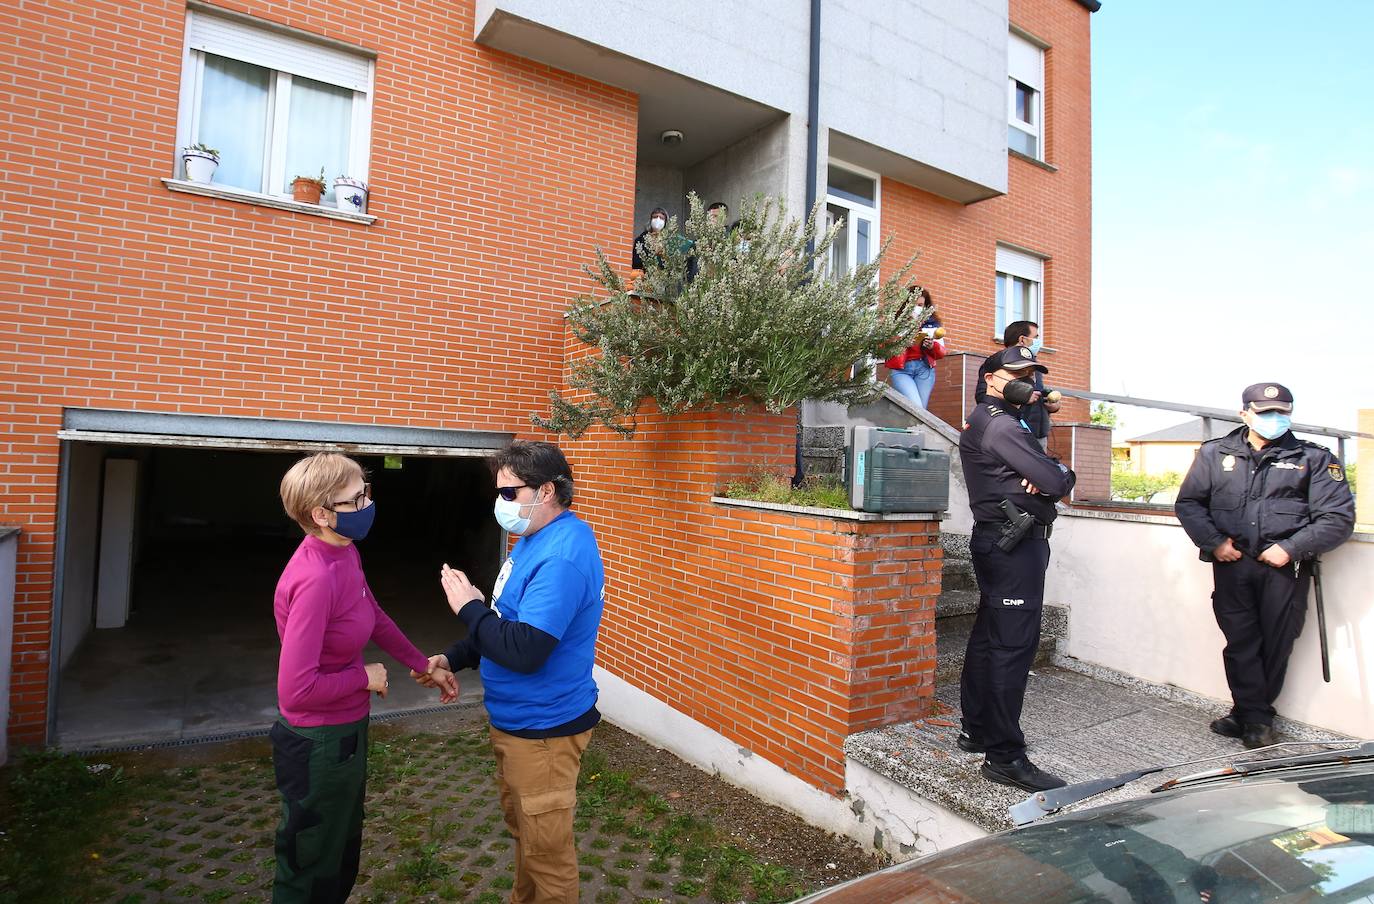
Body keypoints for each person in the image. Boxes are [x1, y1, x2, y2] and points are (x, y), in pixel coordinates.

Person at [417, 441, 606, 904]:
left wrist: (468, 608)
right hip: (518, 724)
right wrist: (456, 655)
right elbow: (505, 623)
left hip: (543, 731)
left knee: (548, 856)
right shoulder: (533, 541)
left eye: (508, 493)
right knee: (527, 838)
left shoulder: (561, 556)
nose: (500, 503)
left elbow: (525, 651)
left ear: (545, 491)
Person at [271, 453, 458, 903]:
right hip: (318, 743)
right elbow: (295, 691)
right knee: (311, 863)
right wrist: (363, 677)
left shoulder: (344, 554)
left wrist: (421, 663)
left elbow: (371, 615)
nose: (368, 504)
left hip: (345, 734)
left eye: (367, 493)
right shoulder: (315, 577)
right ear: (321, 514)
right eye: (357, 499)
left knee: (339, 854)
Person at [1175, 383, 1354, 749]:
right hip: (1232, 563)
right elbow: (1189, 503)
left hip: (1284, 568)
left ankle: (1249, 716)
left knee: (1276, 643)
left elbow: (1337, 517)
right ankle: (1254, 717)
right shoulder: (1215, 453)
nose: (1274, 419)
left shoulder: (1313, 458)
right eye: (1265, 412)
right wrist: (1215, 542)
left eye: (1282, 412)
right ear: (1245, 413)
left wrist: (1290, 548)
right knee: (1240, 642)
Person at [956, 345, 1076, 792]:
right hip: (1013, 546)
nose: (1029, 381)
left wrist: (1046, 471)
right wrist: (1056, 473)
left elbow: (1044, 472)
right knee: (1012, 647)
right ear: (990, 377)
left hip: (1002, 541)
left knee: (990, 639)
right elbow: (1057, 482)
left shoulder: (1004, 419)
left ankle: (977, 728)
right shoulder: (1000, 425)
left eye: (1032, 374)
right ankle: (1004, 756)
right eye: (1017, 373)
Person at [975, 321, 1061, 448]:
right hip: (1011, 433)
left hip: (1038, 435)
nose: (1038, 342)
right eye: (1035, 337)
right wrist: (1024, 396)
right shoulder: (997, 363)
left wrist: (1051, 406)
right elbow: (983, 397)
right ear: (1022, 339)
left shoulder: (1034, 366)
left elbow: (1036, 395)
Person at [885, 287, 948, 408]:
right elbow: (884, 348)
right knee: (916, 407)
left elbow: (941, 353)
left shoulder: (932, 324)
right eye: (913, 304)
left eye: (920, 305)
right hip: (901, 370)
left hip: (924, 369)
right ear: (906, 304)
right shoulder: (896, 323)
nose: (916, 308)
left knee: (921, 412)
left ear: (925, 307)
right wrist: (902, 341)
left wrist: (931, 346)